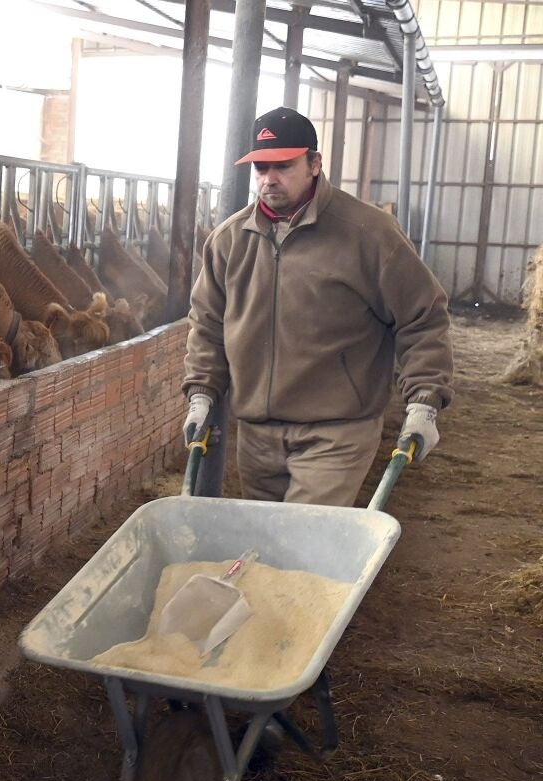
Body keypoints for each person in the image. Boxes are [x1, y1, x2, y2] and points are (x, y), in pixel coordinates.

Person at [181, 107, 453, 506]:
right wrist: (201, 392)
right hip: (257, 433)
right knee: (264, 535)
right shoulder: (228, 241)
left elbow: (422, 317)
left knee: (303, 534)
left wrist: (424, 399)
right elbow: (207, 324)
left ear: (314, 163)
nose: (269, 178)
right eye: (261, 167)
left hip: (337, 431)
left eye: (283, 166)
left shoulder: (369, 235)